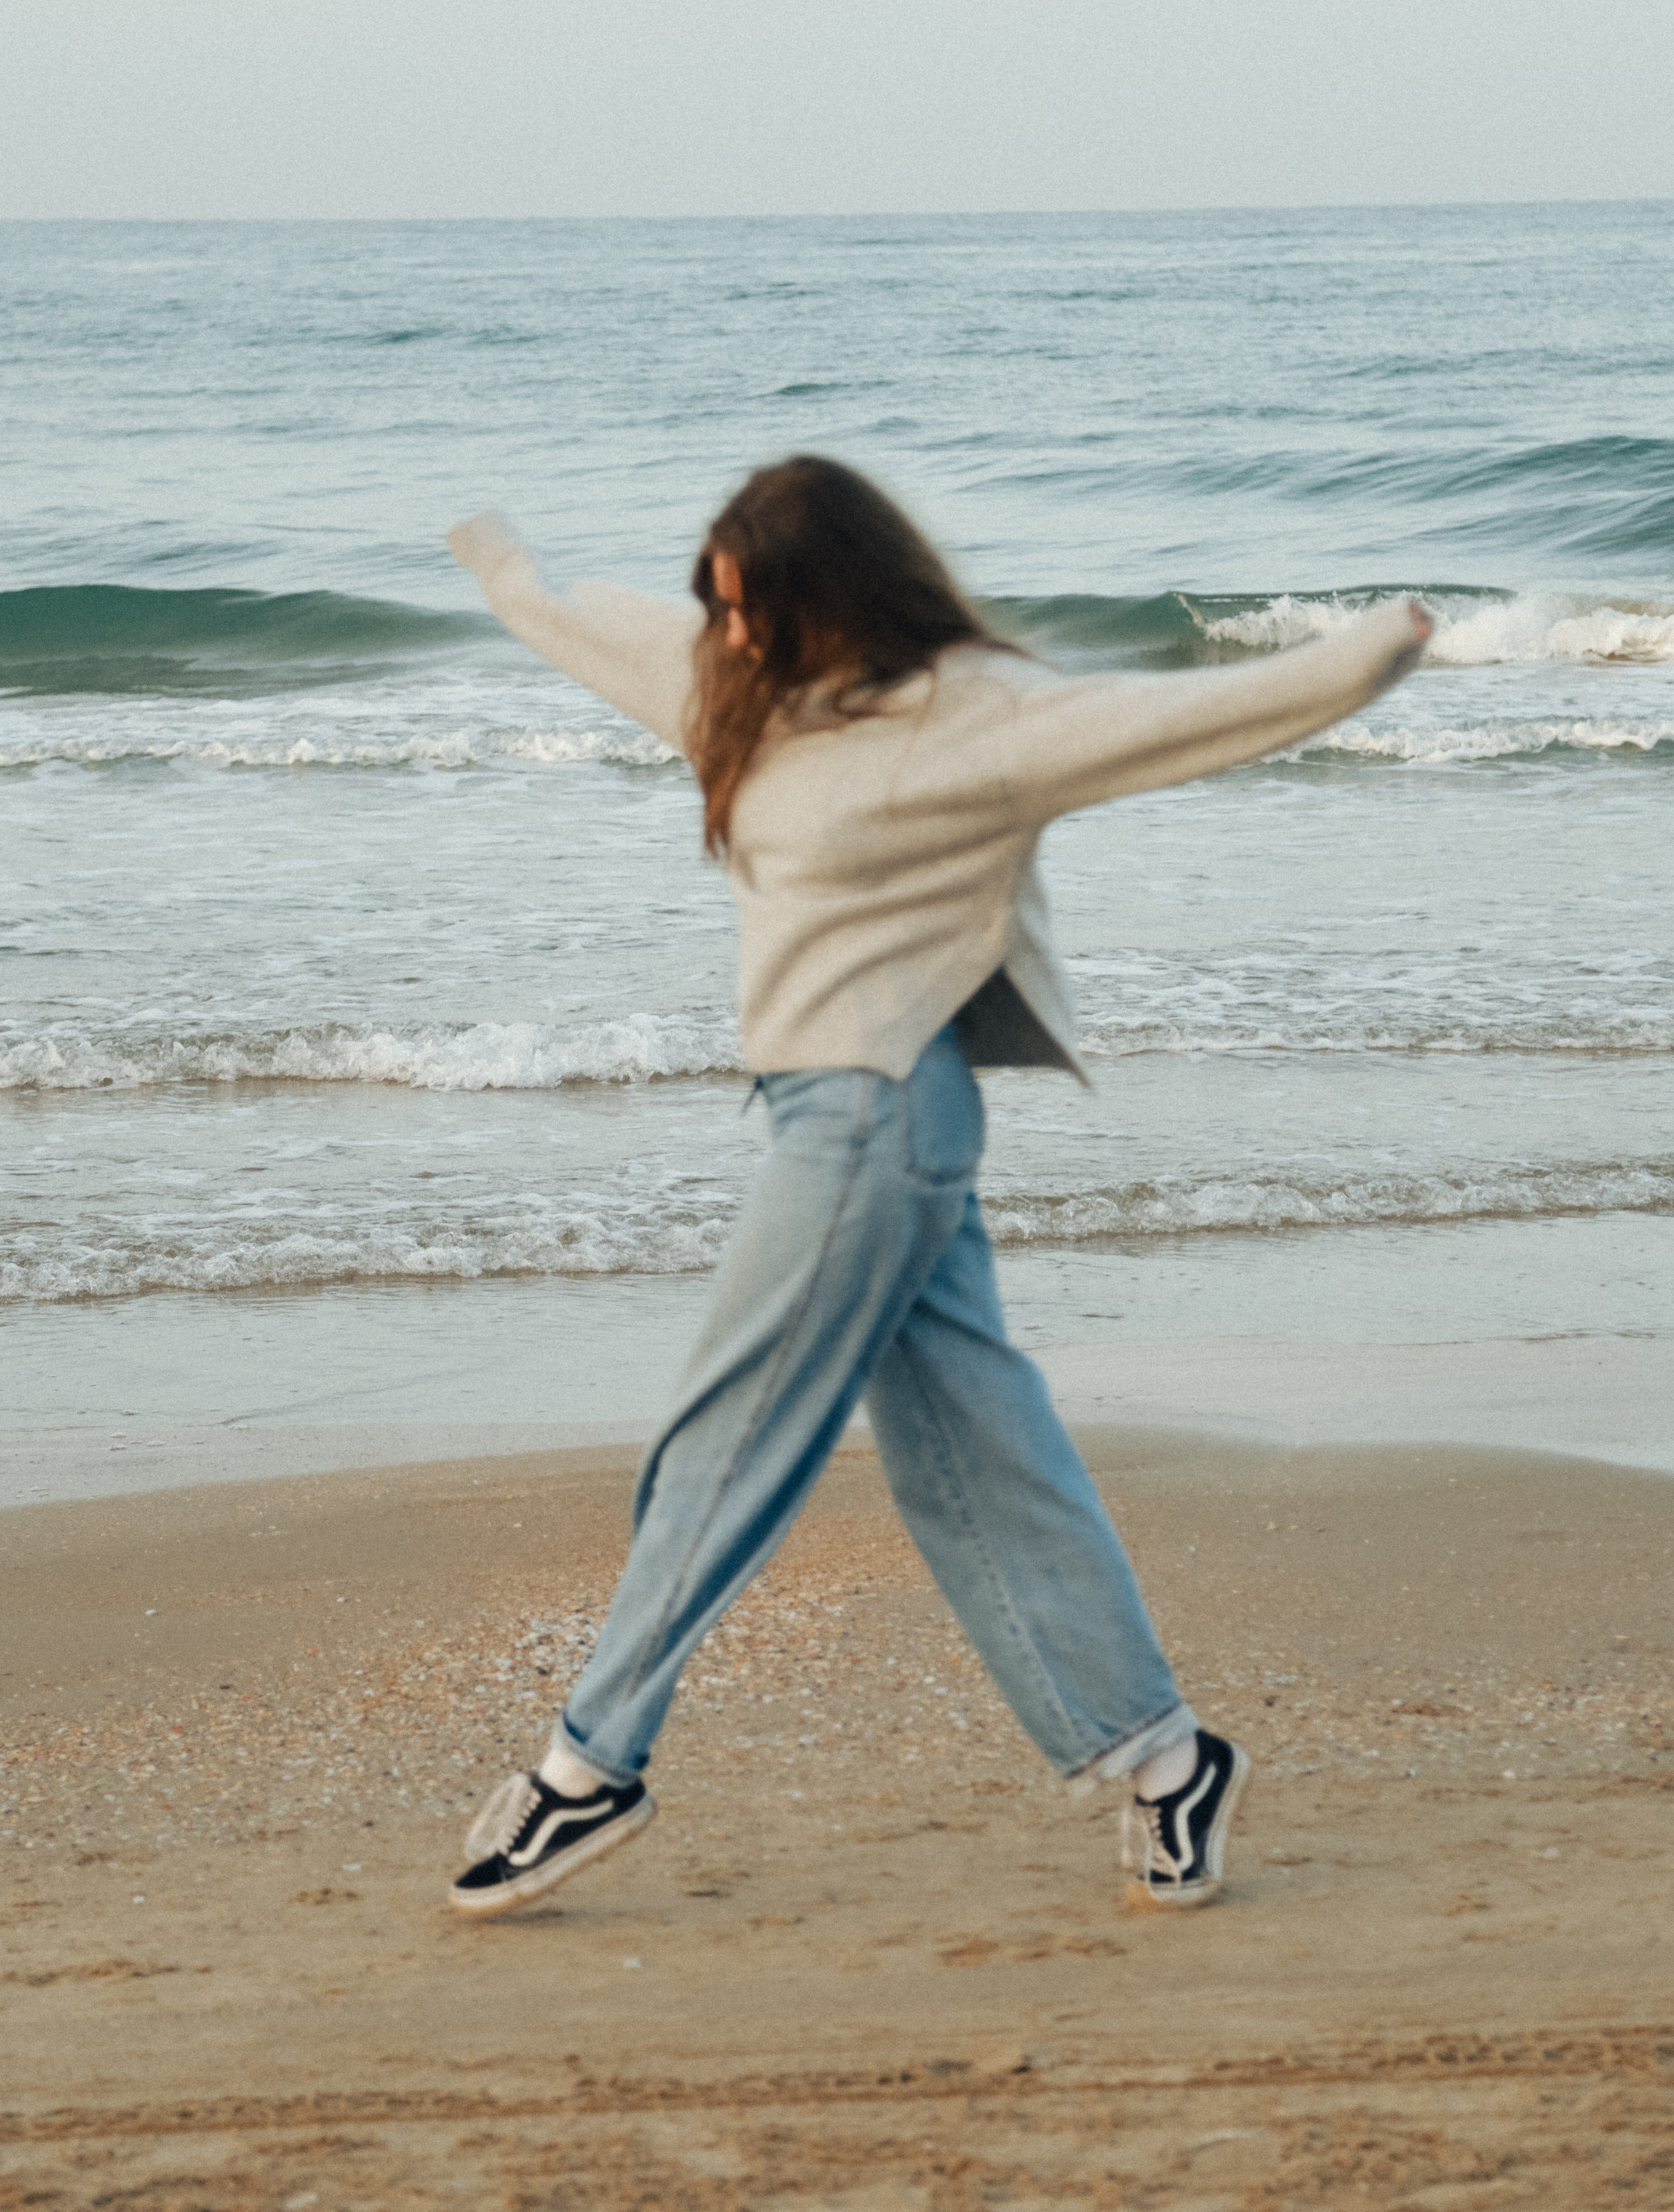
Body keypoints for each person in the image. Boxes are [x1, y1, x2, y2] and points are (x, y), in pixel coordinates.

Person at [444, 456, 1430, 1920]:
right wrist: (497, 556)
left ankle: (588, 1765)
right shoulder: (736, 688)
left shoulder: (972, 722)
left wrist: (1366, 651)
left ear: (829, 597)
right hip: (837, 1121)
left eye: (751, 608)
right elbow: (593, 628)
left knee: (727, 1438)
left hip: (875, 1119)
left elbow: (1178, 719)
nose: (726, 634)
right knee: (974, 1453)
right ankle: (1165, 1760)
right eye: (716, 610)